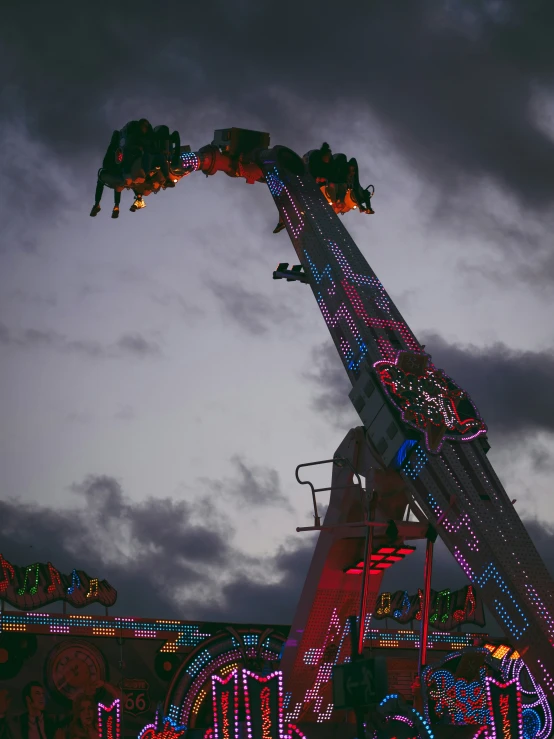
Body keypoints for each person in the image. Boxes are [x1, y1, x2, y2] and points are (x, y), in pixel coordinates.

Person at [90, 130, 124, 219]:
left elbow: (107, 163)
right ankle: (116, 206)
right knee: (117, 185)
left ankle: (97, 203)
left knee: (101, 179)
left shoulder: (114, 149)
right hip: (119, 176)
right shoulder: (121, 148)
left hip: (114, 174)